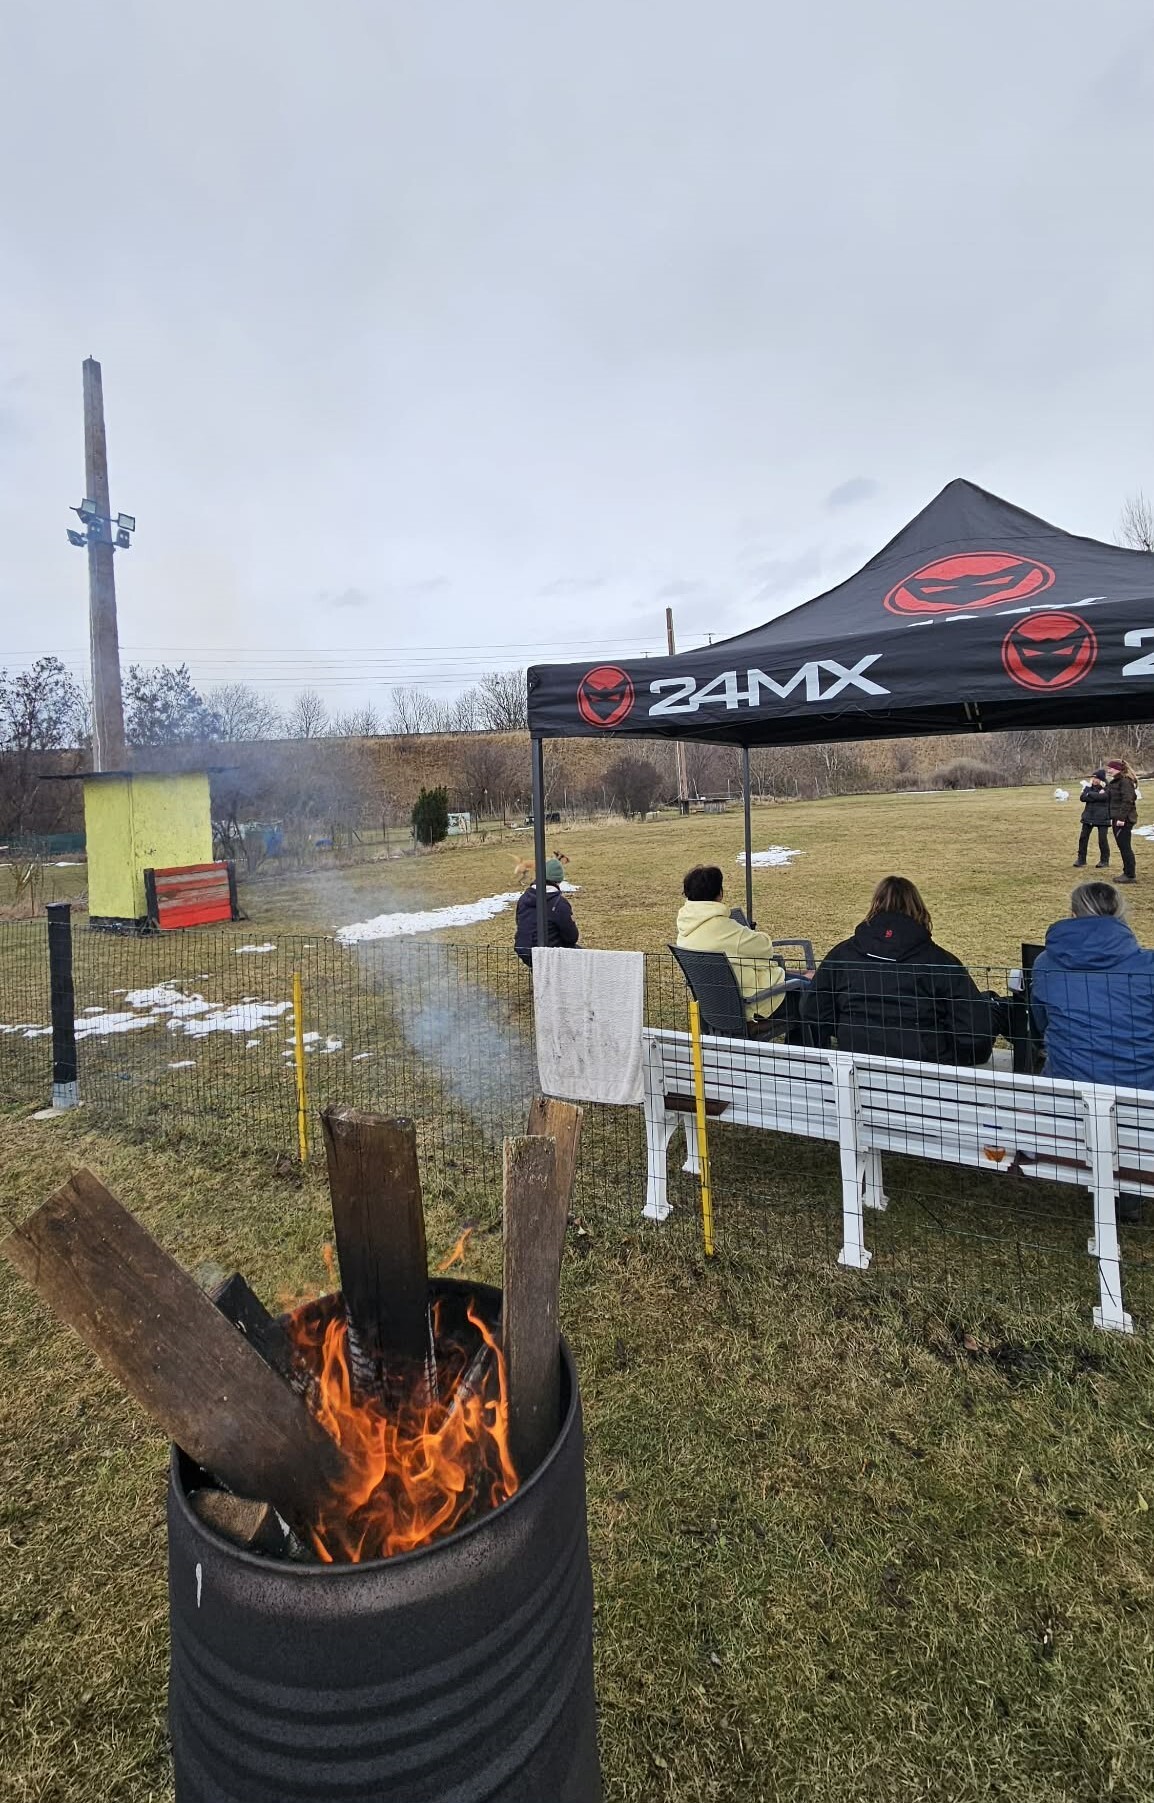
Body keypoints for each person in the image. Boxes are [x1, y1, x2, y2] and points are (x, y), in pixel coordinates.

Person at [802, 874, 1009, 1065]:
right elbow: (974, 1034)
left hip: (859, 1057)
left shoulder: (842, 954)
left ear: (875, 905)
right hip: (928, 1064)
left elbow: (814, 1009)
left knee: (987, 1005)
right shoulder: (940, 961)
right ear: (918, 908)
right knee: (994, 1006)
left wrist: (849, 1031)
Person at [1029, 882, 1154, 1091]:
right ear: (1120, 914)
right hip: (1142, 1091)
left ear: (1073, 914)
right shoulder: (1148, 965)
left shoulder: (1045, 963)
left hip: (1067, 1089)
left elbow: (1041, 1024)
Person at [675, 865, 789, 1033]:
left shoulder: (685, 926)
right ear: (719, 893)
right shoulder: (724, 927)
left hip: (715, 1008)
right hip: (753, 1004)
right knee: (808, 994)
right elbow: (765, 947)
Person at [514, 857, 579, 966]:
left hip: (524, 950)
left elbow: (519, 922)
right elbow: (571, 937)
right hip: (548, 954)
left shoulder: (524, 898)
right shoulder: (559, 903)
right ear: (559, 880)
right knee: (579, 955)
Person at [1105, 758, 1139, 883]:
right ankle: (1127, 872)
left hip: (1124, 820)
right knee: (1122, 846)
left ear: (1118, 769)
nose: (1108, 770)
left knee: (1125, 847)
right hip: (1117, 818)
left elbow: (1127, 800)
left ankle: (1129, 875)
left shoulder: (1125, 781)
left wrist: (1121, 818)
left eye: (1110, 768)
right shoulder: (1116, 781)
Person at [1074, 769, 1110, 870]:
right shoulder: (1088, 787)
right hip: (1088, 816)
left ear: (1101, 779)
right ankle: (1081, 859)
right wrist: (1096, 795)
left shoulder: (1108, 788)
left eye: (1096, 778)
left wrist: (1090, 794)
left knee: (1102, 840)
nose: (1094, 780)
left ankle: (1104, 861)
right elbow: (1082, 798)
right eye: (1093, 778)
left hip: (1103, 817)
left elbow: (1104, 797)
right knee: (1083, 838)